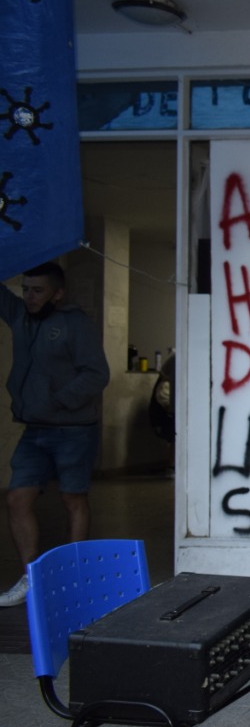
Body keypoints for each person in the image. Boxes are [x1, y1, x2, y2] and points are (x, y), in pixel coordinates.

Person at [0, 261, 110, 608]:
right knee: (17, 499)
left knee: (72, 500)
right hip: (34, 430)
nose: (30, 297)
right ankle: (32, 579)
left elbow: (97, 374)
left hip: (74, 430)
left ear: (58, 293)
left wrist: (58, 403)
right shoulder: (19, 316)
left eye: (38, 290)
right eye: (26, 290)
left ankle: (73, 578)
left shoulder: (75, 324)